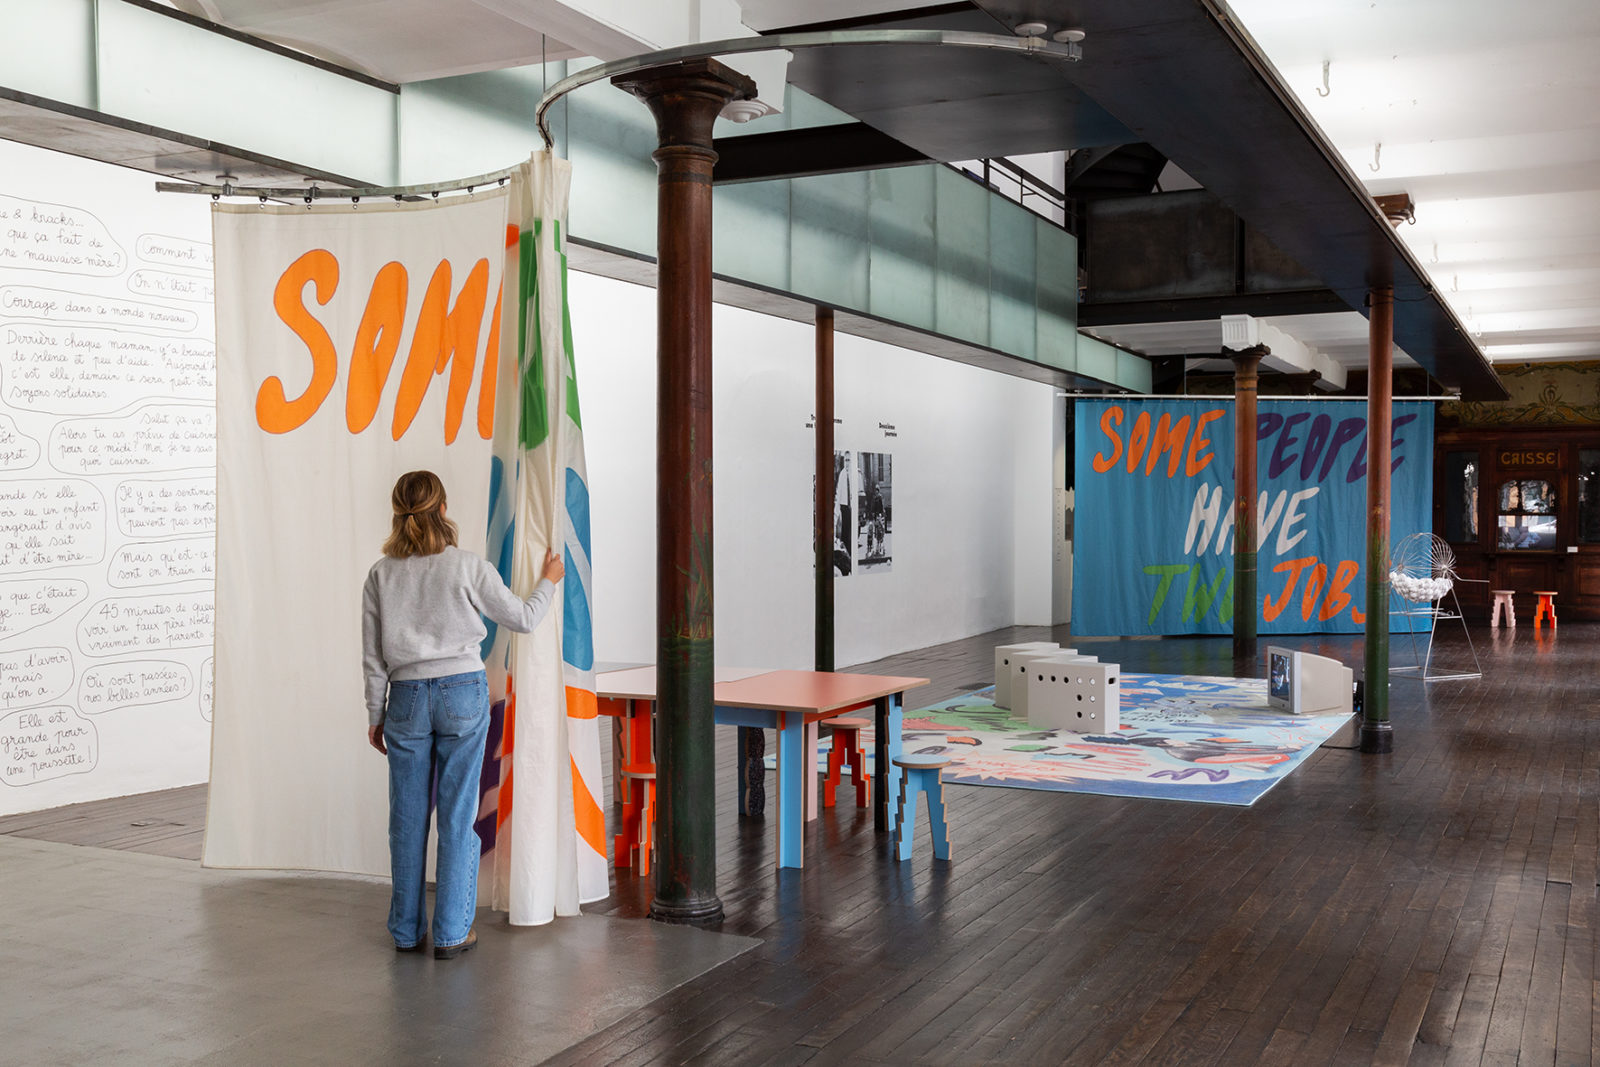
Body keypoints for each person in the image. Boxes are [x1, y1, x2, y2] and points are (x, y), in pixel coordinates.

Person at [362, 470, 564, 959]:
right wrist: (548, 581)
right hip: (462, 695)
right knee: (457, 816)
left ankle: (406, 932)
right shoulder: (468, 566)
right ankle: (453, 933)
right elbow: (523, 618)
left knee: (407, 819)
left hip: (405, 698)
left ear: (397, 512)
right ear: (443, 509)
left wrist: (375, 713)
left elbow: (372, 656)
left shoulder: (381, 575)